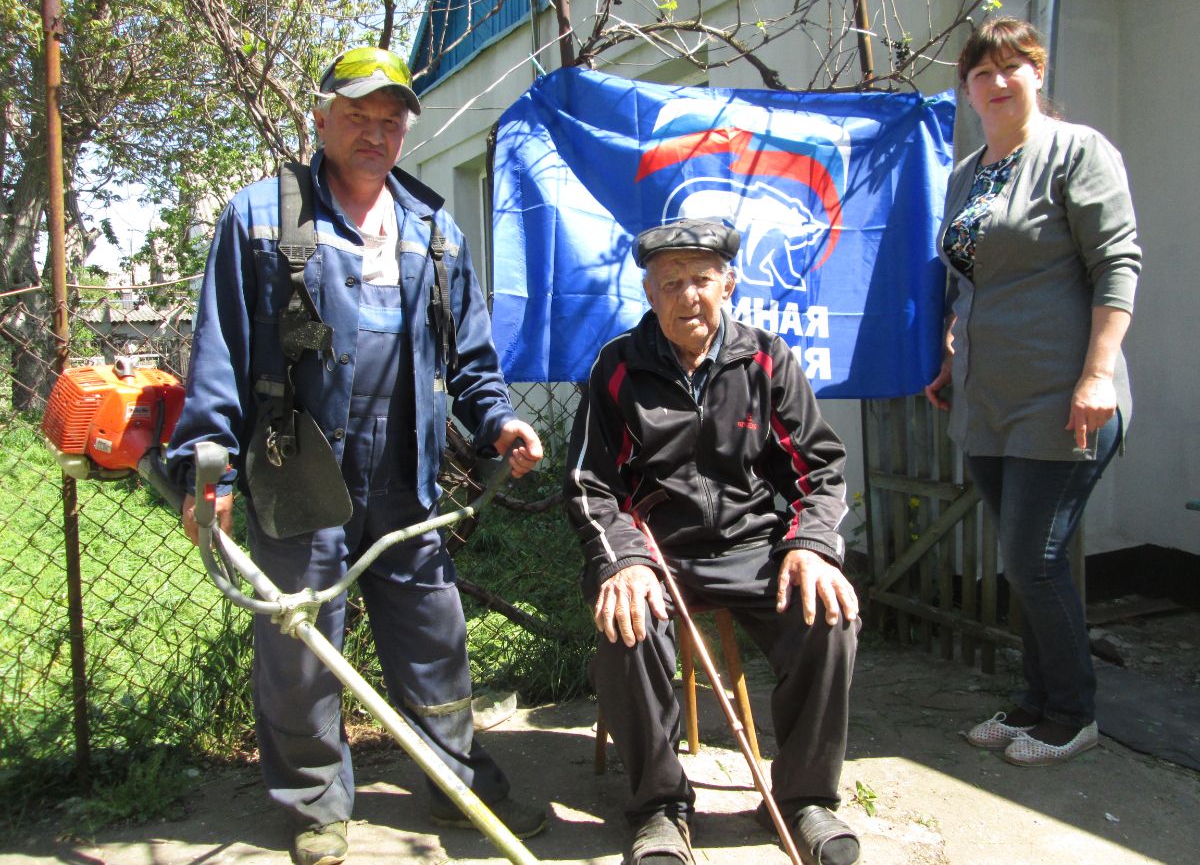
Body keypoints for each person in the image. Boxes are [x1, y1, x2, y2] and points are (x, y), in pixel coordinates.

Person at [166, 47, 548, 864]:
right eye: (357, 115)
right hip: (296, 465)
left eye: (390, 120)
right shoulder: (262, 219)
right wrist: (210, 467)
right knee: (302, 644)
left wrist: (500, 426)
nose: (375, 132)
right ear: (321, 117)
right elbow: (220, 354)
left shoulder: (434, 231)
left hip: (405, 470)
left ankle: (453, 778)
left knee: (434, 632)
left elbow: (473, 365)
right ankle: (315, 805)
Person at [563, 218, 861, 865]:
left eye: (701, 279)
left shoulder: (764, 359)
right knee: (627, 623)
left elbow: (819, 466)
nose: (688, 296)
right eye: (671, 283)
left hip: (752, 547)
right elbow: (590, 484)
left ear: (729, 283)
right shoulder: (618, 368)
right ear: (649, 292)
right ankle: (660, 807)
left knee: (830, 616)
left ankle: (803, 799)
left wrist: (811, 543)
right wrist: (625, 561)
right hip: (656, 552)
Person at [924, 17, 1141, 766]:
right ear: (968, 89)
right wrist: (954, 350)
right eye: (982, 72)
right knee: (1024, 561)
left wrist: (1097, 374)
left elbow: (1118, 264)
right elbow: (967, 280)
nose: (998, 81)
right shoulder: (965, 174)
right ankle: (1035, 702)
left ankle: (1073, 712)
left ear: (1037, 74)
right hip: (988, 400)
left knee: (1033, 559)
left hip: (1063, 395)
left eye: (1014, 66)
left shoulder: (1076, 153)